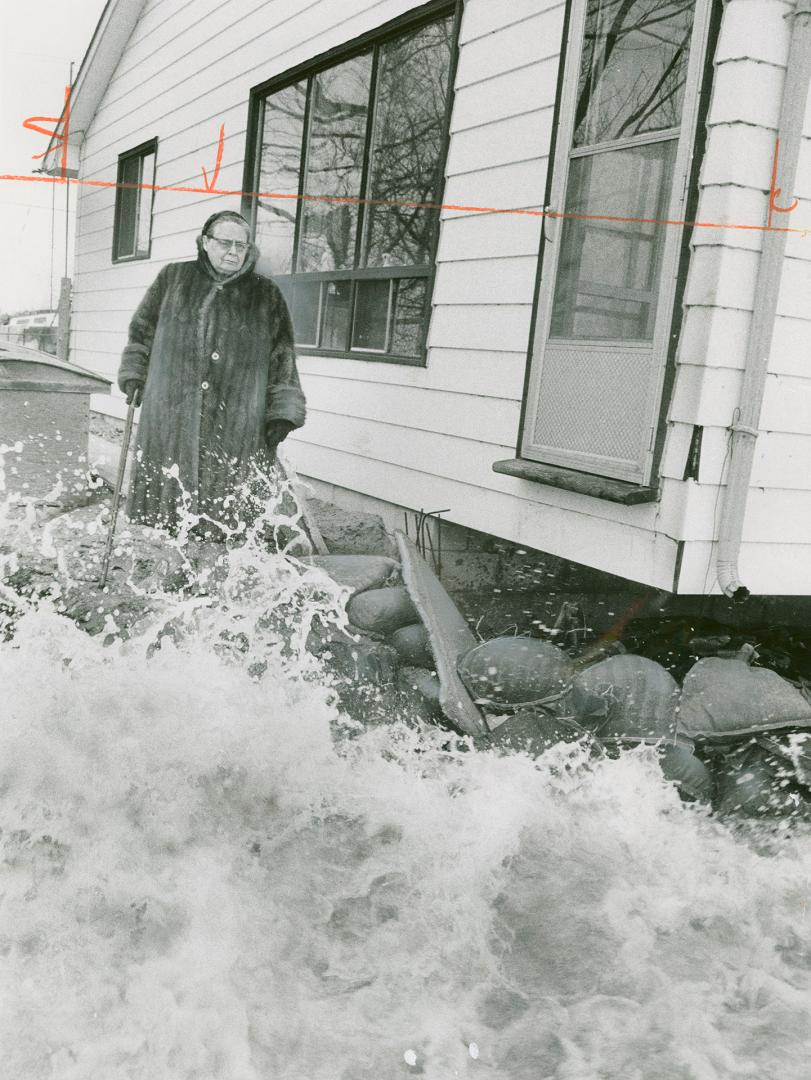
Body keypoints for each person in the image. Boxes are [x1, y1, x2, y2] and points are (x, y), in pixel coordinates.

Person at [117, 210, 306, 534]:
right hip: (172, 411)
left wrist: (282, 413)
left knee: (228, 516)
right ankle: (168, 568)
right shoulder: (172, 279)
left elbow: (282, 355)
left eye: (241, 246)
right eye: (225, 243)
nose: (234, 251)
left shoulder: (266, 294)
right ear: (205, 242)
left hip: (236, 420)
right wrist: (135, 372)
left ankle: (218, 573)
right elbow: (142, 331)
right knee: (167, 507)